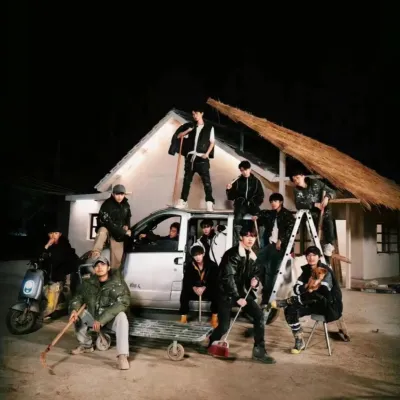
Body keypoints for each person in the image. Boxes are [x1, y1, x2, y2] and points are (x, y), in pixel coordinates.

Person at [207, 227, 276, 364]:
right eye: (247, 236)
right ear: (241, 237)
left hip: (242, 293)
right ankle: (212, 341)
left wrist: (255, 280)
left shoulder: (252, 255)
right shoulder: (232, 254)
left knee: (259, 315)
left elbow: (256, 272)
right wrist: (236, 297)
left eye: (253, 236)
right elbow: (228, 277)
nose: (250, 239)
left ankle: (259, 351)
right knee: (224, 326)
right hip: (226, 294)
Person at [268, 246, 343, 354]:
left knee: (314, 293)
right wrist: (307, 286)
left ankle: (288, 301)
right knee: (290, 309)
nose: (311, 258)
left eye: (314, 255)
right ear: (306, 257)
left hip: (329, 306)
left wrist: (310, 287)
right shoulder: (306, 271)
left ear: (319, 257)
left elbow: (323, 291)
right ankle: (299, 340)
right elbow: (296, 288)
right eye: (308, 255)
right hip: (312, 303)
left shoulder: (325, 271)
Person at [69, 256, 132, 370]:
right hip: (94, 317)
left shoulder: (118, 283)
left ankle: (122, 356)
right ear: (94, 269)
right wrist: (74, 309)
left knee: (122, 317)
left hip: (110, 320)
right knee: (77, 314)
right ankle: (86, 345)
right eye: (97, 265)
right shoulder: (88, 283)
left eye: (103, 264)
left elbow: (123, 302)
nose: (99, 267)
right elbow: (77, 298)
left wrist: (101, 320)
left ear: (108, 267)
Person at [252, 193, 295, 306]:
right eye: (271, 202)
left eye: (275, 201)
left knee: (270, 272)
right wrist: (256, 215)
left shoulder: (287, 215)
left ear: (281, 202)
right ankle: (261, 287)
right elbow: (262, 213)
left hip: (280, 247)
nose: (273, 204)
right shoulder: (271, 214)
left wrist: (281, 239)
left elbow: (292, 229)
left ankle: (266, 299)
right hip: (270, 245)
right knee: (257, 263)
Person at [173, 107, 216, 212]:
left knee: (206, 181)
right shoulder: (191, 126)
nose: (195, 116)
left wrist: (207, 154)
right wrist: (188, 130)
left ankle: (209, 202)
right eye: (193, 114)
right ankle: (183, 201)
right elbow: (179, 136)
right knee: (187, 180)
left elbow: (212, 142)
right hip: (191, 157)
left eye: (196, 113)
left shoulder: (209, 127)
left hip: (202, 157)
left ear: (202, 113)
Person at [290, 171, 336, 263]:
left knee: (329, 235)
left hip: (325, 214)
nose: (297, 181)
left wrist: (327, 197)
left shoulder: (316, 183)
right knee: (316, 240)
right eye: (294, 180)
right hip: (311, 217)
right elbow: (298, 204)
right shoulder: (297, 190)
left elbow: (332, 191)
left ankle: (328, 253)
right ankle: (318, 259)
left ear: (303, 176)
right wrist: (314, 204)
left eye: (297, 178)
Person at [89, 184, 132, 269]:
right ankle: (96, 251)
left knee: (117, 261)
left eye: (122, 194)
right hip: (108, 230)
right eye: (117, 194)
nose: (119, 197)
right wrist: (123, 232)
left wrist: (127, 226)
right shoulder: (107, 205)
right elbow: (108, 222)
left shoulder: (126, 205)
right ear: (113, 194)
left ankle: (114, 274)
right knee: (102, 231)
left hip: (118, 234)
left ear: (124, 194)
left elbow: (128, 217)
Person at [179, 245, 219, 328]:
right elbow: (186, 280)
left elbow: (215, 280)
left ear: (203, 254)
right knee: (184, 292)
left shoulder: (212, 265)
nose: (197, 257)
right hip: (195, 290)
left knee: (217, 292)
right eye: (195, 255)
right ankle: (183, 317)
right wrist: (194, 287)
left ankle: (214, 317)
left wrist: (204, 287)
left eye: (199, 255)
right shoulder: (190, 265)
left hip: (207, 290)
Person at [226, 160, 264, 239]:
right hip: (241, 205)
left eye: (246, 170)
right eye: (242, 170)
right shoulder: (237, 181)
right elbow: (231, 197)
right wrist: (229, 189)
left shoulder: (256, 181)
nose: (244, 172)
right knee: (238, 217)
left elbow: (261, 195)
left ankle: (260, 239)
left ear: (250, 169)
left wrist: (254, 203)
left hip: (253, 205)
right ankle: (237, 238)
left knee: (260, 216)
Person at [41, 226, 80, 293]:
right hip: (49, 276)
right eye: (51, 233)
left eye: (56, 233)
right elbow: (41, 256)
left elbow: (62, 260)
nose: (53, 235)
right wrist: (47, 245)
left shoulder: (64, 244)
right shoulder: (46, 244)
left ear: (60, 234)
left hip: (62, 275)